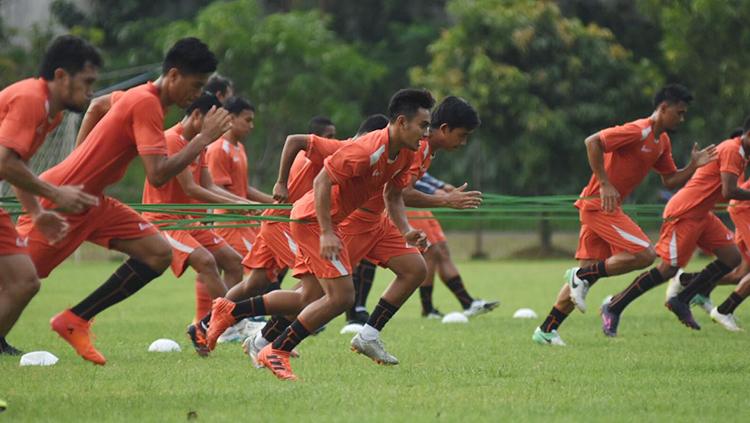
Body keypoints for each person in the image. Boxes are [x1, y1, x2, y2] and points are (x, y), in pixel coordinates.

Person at [15, 37, 230, 365]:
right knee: (19, 280)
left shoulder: (143, 99)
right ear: (173, 75)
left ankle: (75, 320)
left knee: (158, 253)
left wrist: (80, 155)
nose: (197, 95)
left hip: (93, 203)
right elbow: (157, 175)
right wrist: (202, 140)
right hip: (62, 199)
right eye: (196, 84)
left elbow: (98, 105)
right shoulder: (145, 103)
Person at [255, 88, 434, 380]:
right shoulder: (366, 149)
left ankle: (263, 339)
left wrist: (407, 231)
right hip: (311, 220)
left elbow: (394, 195)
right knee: (331, 296)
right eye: (423, 125)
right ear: (402, 122)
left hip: (337, 223)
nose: (426, 133)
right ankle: (268, 343)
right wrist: (327, 231)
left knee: (334, 295)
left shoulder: (403, 153)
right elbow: (322, 180)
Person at [532, 84, 716, 346]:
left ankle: (546, 330)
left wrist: (694, 166)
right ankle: (578, 277)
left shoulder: (662, 141)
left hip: (604, 207)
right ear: (663, 108)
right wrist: (605, 183)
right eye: (679, 112)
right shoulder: (638, 130)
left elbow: (670, 180)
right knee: (645, 254)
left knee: (587, 276)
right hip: (598, 204)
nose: (682, 118)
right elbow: (592, 142)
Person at [0, 35, 101, 355]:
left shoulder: (52, 113)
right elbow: (5, 161)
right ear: (61, 76)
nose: (90, 91)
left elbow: (16, 164)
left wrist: (39, 212)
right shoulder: (31, 99)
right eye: (86, 82)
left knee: (24, 281)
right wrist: (54, 194)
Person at [140, 94, 249, 354]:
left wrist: (243, 203)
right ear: (198, 116)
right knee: (207, 262)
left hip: (186, 220)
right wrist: (236, 205)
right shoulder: (171, 140)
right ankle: (232, 321)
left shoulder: (198, 143)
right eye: (215, 123)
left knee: (233, 261)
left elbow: (207, 185)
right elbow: (192, 188)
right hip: (164, 221)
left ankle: (207, 325)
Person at [407, 172, 499, 319]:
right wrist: (438, 193)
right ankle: (427, 309)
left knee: (442, 249)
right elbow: (405, 179)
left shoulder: (424, 151)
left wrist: (442, 186)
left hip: (422, 204)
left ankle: (468, 303)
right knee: (430, 250)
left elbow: (421, 173)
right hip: (408, 203)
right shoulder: (417, 148)